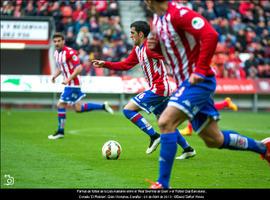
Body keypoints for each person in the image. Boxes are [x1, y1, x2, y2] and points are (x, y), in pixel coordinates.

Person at [144, 0, 270, 189]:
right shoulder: (159, 19)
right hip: (184, 84)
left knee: (165, 122)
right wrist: (156, 48)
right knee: (214, 140)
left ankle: (163, 184)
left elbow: (210, 34)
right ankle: (263, 148)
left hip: (197, 82)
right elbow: (175, 51)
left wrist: (201, 69)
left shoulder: (179, 13)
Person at [92, 21, 196, 159]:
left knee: (128, 109)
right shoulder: (138, 49)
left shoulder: (150, 48)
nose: (130, 36)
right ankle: (188, 149)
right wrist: (105, 64)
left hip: (159, 88)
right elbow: (125, 65)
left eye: (132, 33)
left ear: (141, 34)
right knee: (165, 122)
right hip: (161, 88)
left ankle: (154, 136)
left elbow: (170, 56)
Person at [48, 32, 114, 140]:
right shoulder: (56, 53)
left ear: (63, 41)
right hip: (69, 84)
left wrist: (68, 79)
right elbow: (61, 67)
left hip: (73, 84)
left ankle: (60, 132)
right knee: (78, 108)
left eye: (59, 41)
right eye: (55, 41)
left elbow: (79, 68)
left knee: (60, 105)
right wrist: (54, 76)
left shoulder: (70, 52)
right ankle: (103, 106)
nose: (57, 43)